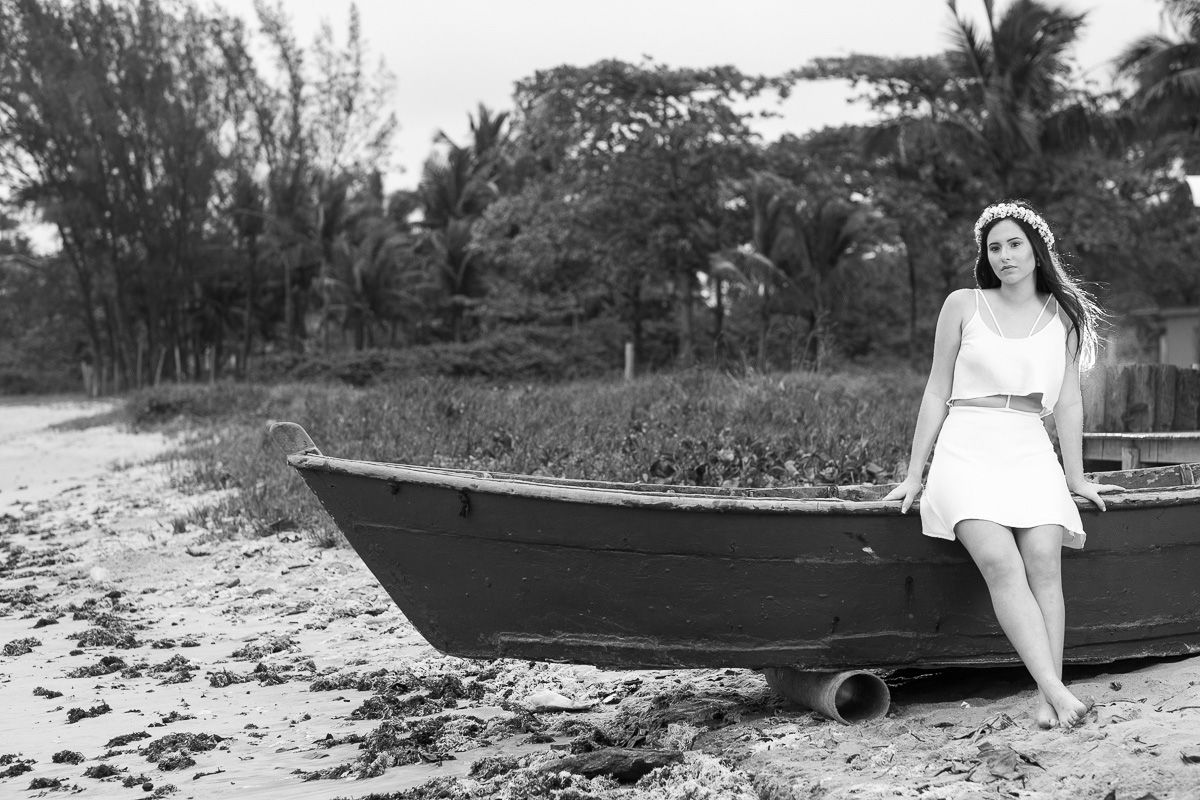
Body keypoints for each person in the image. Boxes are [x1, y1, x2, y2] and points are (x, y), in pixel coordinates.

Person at [883, 200, 1121, 729]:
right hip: (966, 445)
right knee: (1001, 563)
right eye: (994, 247)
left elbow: (1068, 403)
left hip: (1029, 447)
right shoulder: (962, 304)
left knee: (1044, 564)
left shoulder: (1064, 317)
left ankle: (1047, 698)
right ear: (984, 256)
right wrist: (913, 474)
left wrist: (1075, 476)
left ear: (1038, 250)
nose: (1005, 255)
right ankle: (1059, 692)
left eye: (1015, 244)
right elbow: (936, 388)